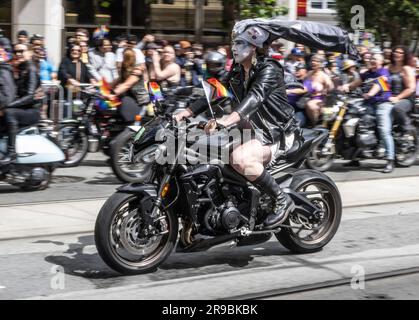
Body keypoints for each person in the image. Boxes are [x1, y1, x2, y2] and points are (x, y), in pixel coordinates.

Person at [203, 25, 298, 229]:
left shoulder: (269, 69)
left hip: (276, 133)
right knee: (206, 152)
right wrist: (186, 112)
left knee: (240, 159)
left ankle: (281, 200)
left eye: (239, 43)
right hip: (251, 131)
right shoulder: (237, 70)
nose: (233, 48)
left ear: (254, 47)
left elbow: (255, 98)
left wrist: (226, 121)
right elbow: (218, 92)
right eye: (233, 43)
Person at [351, 53, 394, 172]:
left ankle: (390, 160)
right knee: (355, 123)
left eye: (375, 59)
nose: (372, 60)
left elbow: (380, 83)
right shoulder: (367, 73)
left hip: (382, 103)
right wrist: (345, 87)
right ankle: (356, 156)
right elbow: (356, 83)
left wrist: (370, 93)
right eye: (371, 58)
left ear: (381, 61)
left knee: (384, 130)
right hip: (368, 104)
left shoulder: (383, 72)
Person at [0, 43, 39, 164]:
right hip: (22, 109)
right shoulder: (20, 69)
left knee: (9, 113)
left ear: (30, 53)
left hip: (32, 111)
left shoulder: (31, 69)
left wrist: (8, 106)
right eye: (16, 52)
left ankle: (12, 152)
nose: (18, 54)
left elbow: (30, 96)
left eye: (21, 51)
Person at [103, 48, 149, 122]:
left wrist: (112, 93)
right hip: (129, 99)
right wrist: (103, 88)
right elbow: (117, 81)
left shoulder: (137, 70)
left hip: (140, 102)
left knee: (135, 122)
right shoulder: (124, 69)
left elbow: (126, 85)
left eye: (127, 57)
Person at [389, 46, 416, 138]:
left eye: (400, 53)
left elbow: (411, 88)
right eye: (396, 52)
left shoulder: (407, 69)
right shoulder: (388, 67)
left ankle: (408, 129)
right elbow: (381, 82)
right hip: (388, 97)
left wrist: (398, 98)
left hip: (405, 99)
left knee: (397, 108)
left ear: (405, 56)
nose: (397, 54)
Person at [304, 54, 334, 126]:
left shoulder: (324, 76)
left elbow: (331, 87)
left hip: (320, 99)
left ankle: (316, 125)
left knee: (311, 105)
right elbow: (304, 84)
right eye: (312, 61)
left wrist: (326, 89)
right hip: (306, 97)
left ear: (321, 64)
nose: (313, 62)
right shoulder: (309, 73)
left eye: (316, 61)